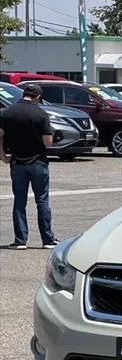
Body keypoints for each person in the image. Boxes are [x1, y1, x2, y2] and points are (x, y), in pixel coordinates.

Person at [0, 84, 58, 250]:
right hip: (38, 161)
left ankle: (20, 240)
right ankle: (47, 239)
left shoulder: (8, 112)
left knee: (19, 201)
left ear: (24, 94)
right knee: (42, 201)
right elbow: (48, 142)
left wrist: (3, 156)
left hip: (17, 161)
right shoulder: (41, 113)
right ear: (38, 97)